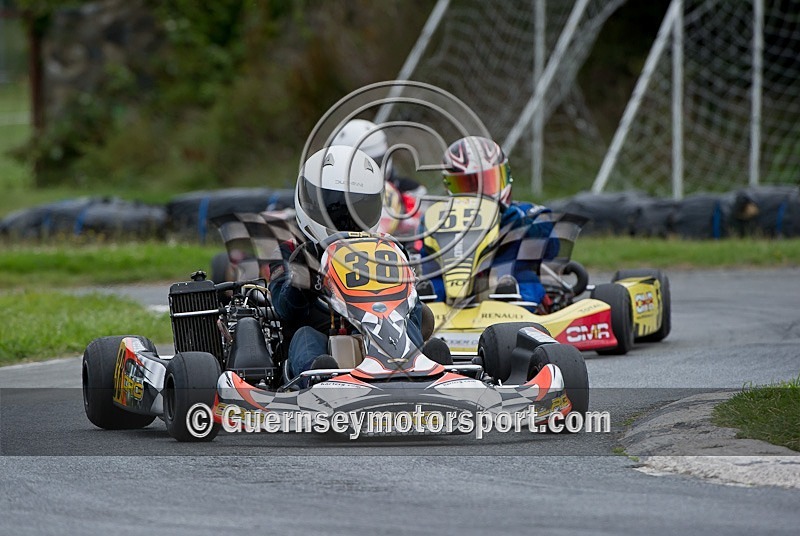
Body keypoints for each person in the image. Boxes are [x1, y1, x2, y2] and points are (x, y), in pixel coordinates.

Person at [268, 144, 427, 379]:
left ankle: (425, 368)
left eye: (357, 209)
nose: (346, 221)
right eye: (337, 211)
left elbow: (416, 312)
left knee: (411, 322)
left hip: (377, 333)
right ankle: (318, 379)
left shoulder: (386, 249)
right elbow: (284, 310)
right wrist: (304, 278)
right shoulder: (291, 251)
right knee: (304, 336)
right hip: (321, 337)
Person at [418, 136, 558, 311]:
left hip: (506, 279)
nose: (478, 193)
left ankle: (513, 304)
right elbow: (424, 258)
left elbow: (552, 248)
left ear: (504, 177)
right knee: (431, 284)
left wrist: (524, 227)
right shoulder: (438, 221)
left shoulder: (524, 214)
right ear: (450, 187)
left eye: (486, 182)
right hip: (450, 287)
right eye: (467, 186)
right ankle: (426, 307)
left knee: (523, 277)